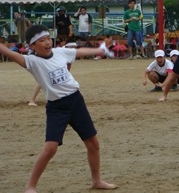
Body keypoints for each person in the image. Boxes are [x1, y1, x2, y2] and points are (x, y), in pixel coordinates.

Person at [0, 24, 117, 192]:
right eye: (42, 41)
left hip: (76, 101)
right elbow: (10, 53)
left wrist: (100, 50)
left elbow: (78, 52)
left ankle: (96, 181)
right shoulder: (32, 62)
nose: (47, 42)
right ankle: (31, 186)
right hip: (57, 107)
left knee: (93, 143)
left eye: (48, 38)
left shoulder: (60, 52)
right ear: (32, 46)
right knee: (50, 148)